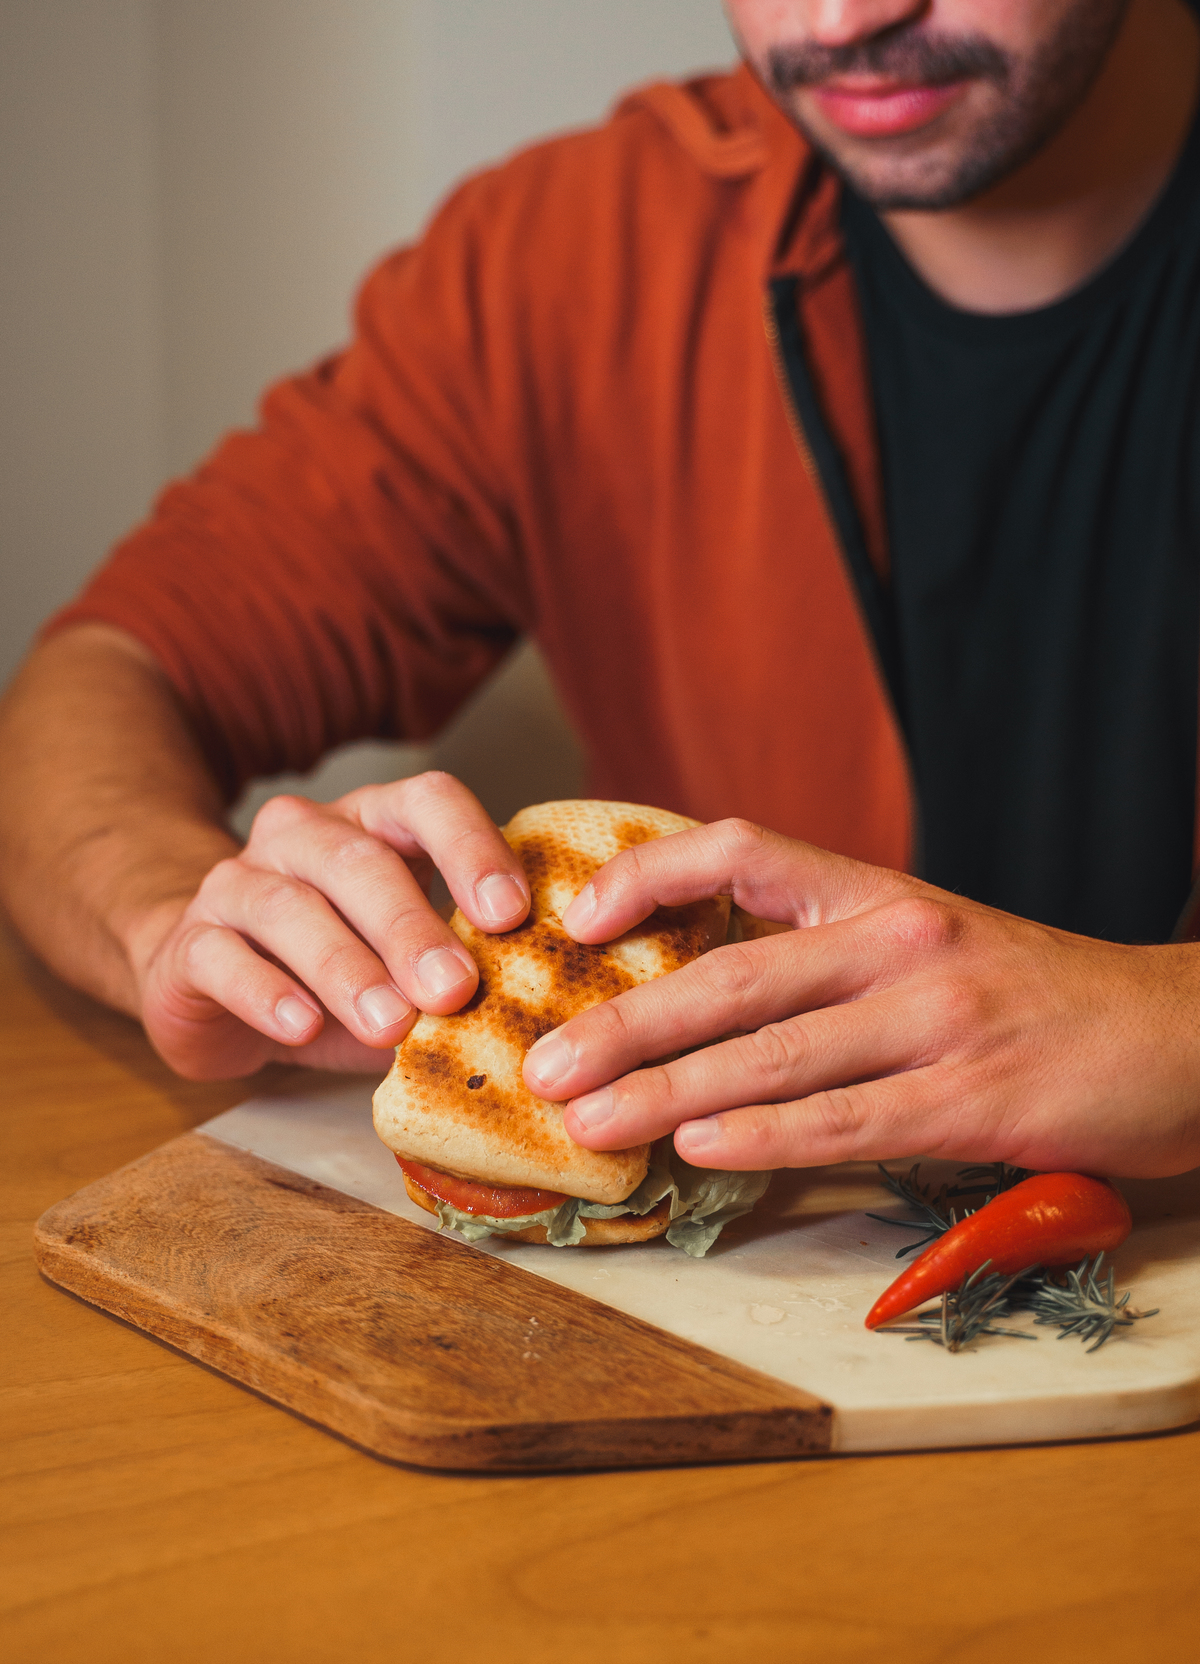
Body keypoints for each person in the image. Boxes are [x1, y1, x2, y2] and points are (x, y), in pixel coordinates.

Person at [3, 0, 1200, 1181]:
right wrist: (172, 921)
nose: (839, 21)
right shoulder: (573, 259)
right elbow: (112, 673)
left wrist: (1168, 1029)